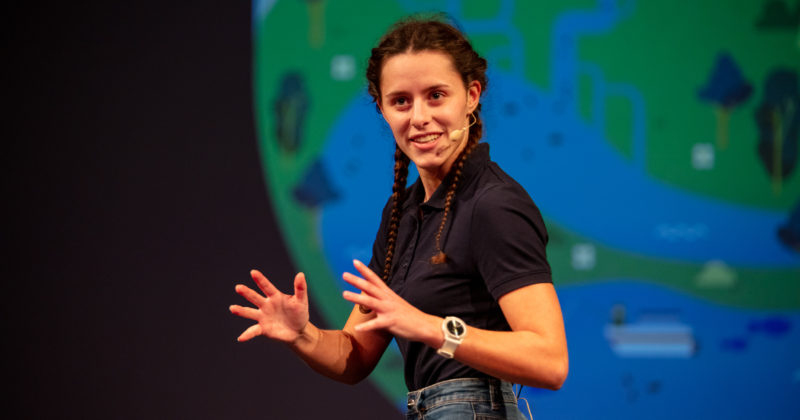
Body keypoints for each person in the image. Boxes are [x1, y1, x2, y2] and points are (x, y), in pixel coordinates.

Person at [230, 16, 568, 419]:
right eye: (401, 101)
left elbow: (549, 360)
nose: (419, 117)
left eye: (436, 96)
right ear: (382, 110)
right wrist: (302, 335)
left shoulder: (493, 204)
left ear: (472, 96)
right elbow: (354, 356)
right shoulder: (402, 213)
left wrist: (429, 327)